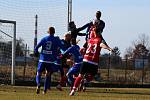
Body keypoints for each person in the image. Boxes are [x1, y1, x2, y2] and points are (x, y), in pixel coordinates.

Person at [69, 18, 113, 96]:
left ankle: (73, 90)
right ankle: (84, 81)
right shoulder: (99, 40)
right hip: (93, 61)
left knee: (80, 75)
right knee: (92, 75)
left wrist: (81, 51)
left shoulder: (90, 40)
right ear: (99, 33)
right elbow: (102, 45)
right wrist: (108, 48)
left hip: (85, 60)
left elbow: (83, 48)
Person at [34, 27, 64, 94]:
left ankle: (38, 84)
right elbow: (62, 48)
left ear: (48, 32)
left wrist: (36, 52)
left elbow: (36, 47)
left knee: (39, 73)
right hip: (50, 61)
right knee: (48, 74)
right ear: (54, 32)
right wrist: (64, 53)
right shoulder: (56, 40)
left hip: (42, 59)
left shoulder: (44, 38)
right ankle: (44, 90)